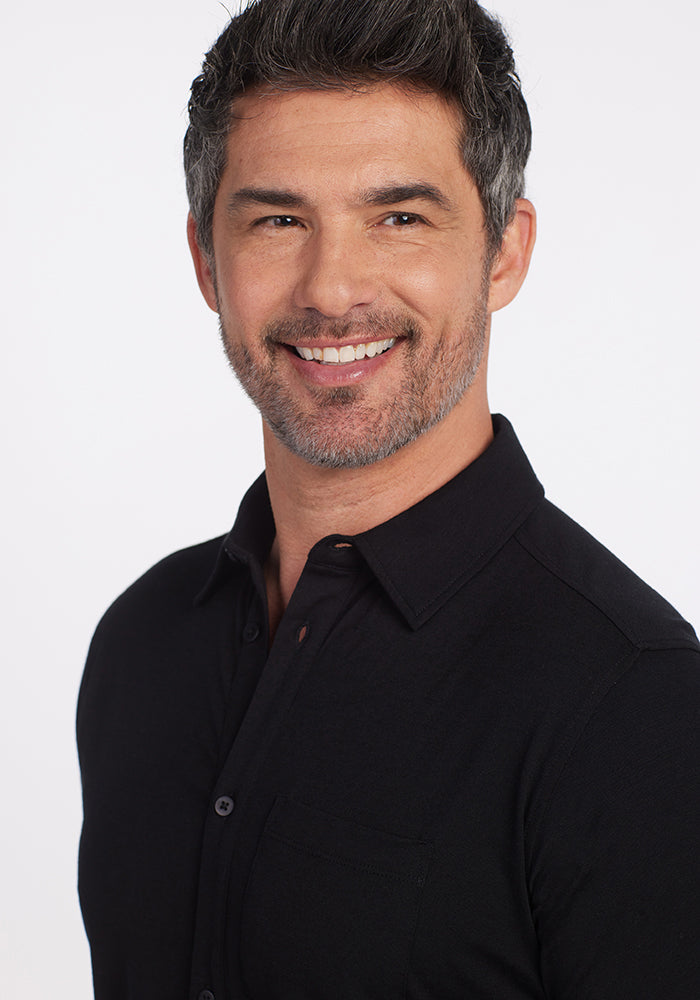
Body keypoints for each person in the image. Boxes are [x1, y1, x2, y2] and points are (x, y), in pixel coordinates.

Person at [76, 0, 700, 997]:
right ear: (206, 258)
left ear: (503, 251)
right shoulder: (143, 640)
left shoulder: (640, 706)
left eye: (397, 217)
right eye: (279, 219)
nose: (332, 288)